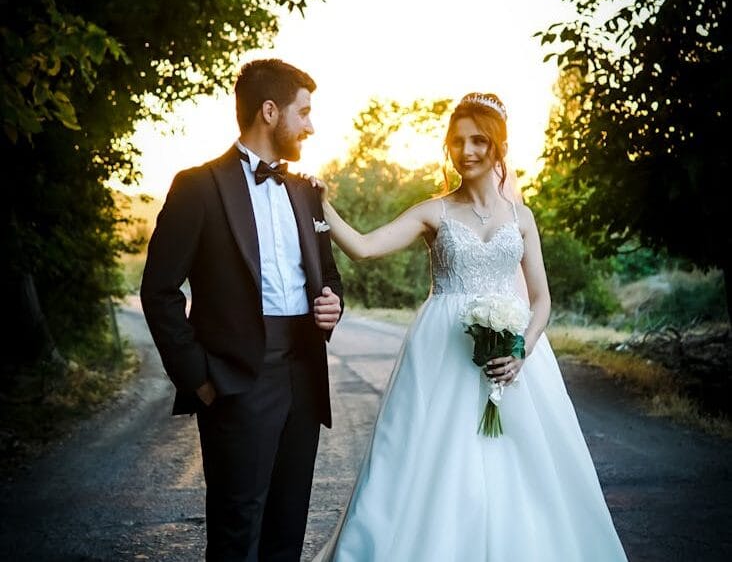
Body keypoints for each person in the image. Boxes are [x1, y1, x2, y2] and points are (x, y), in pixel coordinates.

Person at [310, 93, 627, 561]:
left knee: (524, 469)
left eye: (479, 140)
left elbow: (540, 299)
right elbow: (363, 247)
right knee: (434, 462)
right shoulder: (433, 212)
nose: (468, 151)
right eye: (457, 142)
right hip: (442, 352)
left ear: (498, 146)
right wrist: (322, 204)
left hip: (515, 357)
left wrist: (523, 350)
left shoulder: (522, 218)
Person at [140, 58, 344, 562]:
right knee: (236, 532)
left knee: (288, 524)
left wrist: (332, 304)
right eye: (304, 113)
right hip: (236, 379)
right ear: (270, 111)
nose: (311, 126)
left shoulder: (306, 192)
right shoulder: (198, 186)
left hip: (304, 373)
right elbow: (159, 290)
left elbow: (328, 274)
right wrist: (198, 377)